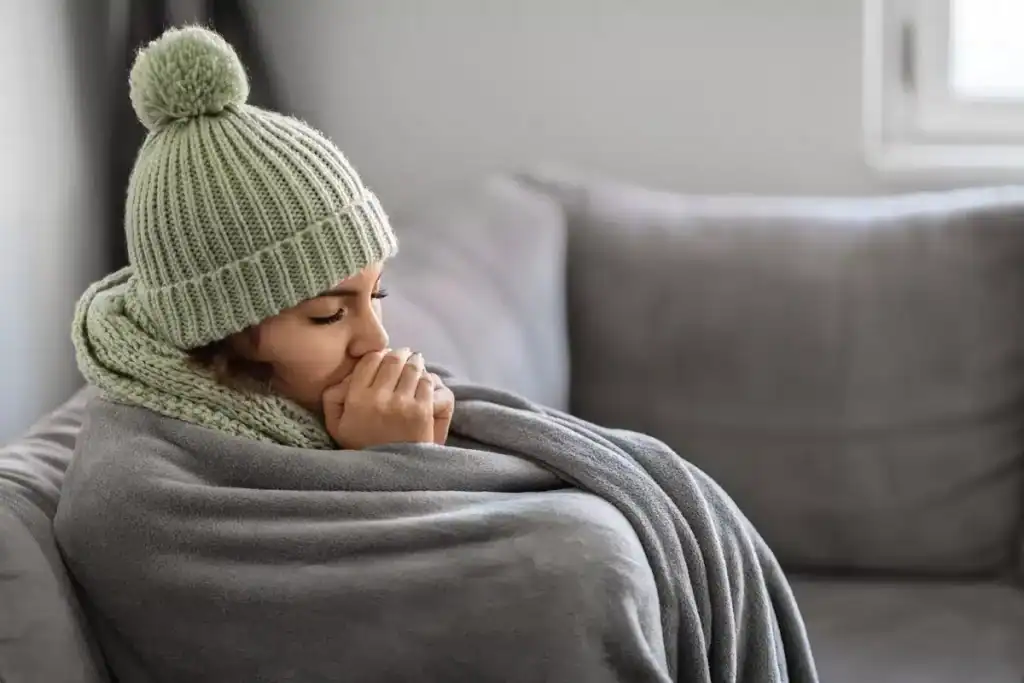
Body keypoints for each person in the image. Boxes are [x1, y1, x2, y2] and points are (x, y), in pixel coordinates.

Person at [57, 25, 818, 683]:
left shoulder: (286, 398)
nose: (376, 340)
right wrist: (399, 470)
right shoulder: (135, 494)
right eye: (329, 312)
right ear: (219, 332)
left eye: (374, 296)